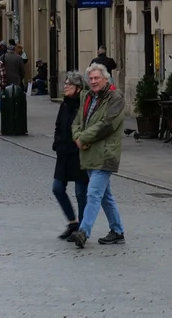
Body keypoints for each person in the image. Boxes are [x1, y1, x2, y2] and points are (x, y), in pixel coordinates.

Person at [69, 62, 126, 249]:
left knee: (93, 194)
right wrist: (78, 137)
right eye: (91, 78)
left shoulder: (115, 98)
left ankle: (83, 232)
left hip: (105, 154)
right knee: (104, 196)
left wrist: (84, 137)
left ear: (105, 79)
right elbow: (77, 121)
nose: (93, 81)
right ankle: (117, 231)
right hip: (89, 154)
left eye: (97, 78)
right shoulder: (87, 96)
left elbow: (107, 124)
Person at [53, 72, 88, 241]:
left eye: (70, 84)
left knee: (81, 193)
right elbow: (58, 125)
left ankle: (82, 228)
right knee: (57, 188)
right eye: (66, 83)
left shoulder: (84, 106)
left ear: (79, 88)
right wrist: (57, 143)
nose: (66, 86)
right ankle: (72, 222)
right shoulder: (64, 105)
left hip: (79, 155)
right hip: (64, 154)